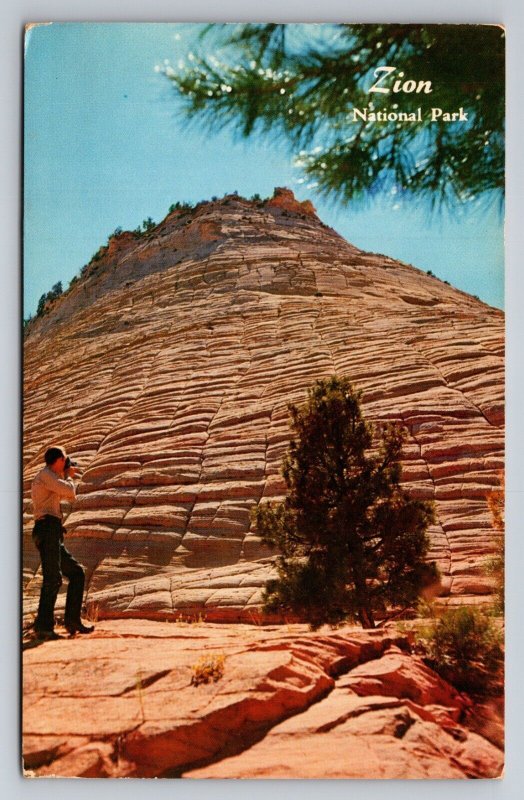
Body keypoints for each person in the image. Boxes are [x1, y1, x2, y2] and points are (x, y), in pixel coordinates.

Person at [31, 446, 94, 639]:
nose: (67, 463)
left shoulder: (50, 477)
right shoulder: (47, 476)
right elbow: (70, 491)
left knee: (76, 573)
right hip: (47, 529)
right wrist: (68, 475)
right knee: (53, 578)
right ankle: (43, 627)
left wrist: (65, 473)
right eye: (65, 460)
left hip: (52, 531)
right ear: (58, 460)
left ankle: (72, 621)